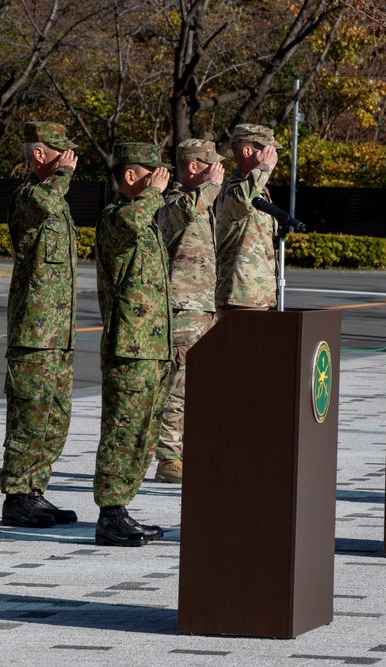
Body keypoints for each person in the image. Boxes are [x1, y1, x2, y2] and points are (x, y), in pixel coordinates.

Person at [0, 122, 79, 528]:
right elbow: (44, 203)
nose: (69, 160)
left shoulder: (57, 199)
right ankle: (16, 495)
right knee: (29, 412)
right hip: (33, 329)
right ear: (38, 155)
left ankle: (35, 489)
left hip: (58, 329)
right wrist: (61, 175)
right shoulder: (31, 195)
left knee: (54, 414)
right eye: (60, 153)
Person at [94, 142, 173, 547]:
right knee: (122, 432)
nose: (161, 180)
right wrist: (152, 195)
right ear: (131, 177)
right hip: (130, 347)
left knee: (144, 433)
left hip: (154, 347)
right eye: (153, 173)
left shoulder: (147, 219)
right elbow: (130, 222)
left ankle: (121, 507)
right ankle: (109, 514)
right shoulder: (116, 218)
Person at [153, 139, 224, 484]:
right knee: (176, 387)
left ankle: (185, 450)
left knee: (195, 387)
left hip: (203, 310)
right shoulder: (173, 202)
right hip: (181, 309)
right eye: (212, 164)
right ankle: (168, 458)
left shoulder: (203, 203)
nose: (219, 171)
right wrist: (211, 188)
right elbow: (178, 216)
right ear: (193, 167)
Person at [214, 124, 282, 313]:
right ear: (246, 151)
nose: (272, 154)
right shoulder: (233, 189)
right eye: (266, 149)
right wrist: (264, 167)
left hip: (257, 293)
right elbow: (244, 199)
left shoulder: (258, 188)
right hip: (240, 293)